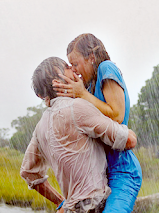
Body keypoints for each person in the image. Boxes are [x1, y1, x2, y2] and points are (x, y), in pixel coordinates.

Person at [20, 57, 138, 213]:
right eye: (68, 67)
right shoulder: (78, 108)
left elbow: (29, 173)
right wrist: (128, 131)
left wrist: (61, 202)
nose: (74, 70)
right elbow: (129, 141)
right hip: (95, 205)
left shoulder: (41, 125)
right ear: (58, 79)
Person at [52, 33, 142, 213]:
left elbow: (116, 115)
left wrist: (82, 95)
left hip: (121, 171)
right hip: (97, 175)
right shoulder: (87, 85)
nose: (75, 70)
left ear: (91, 57)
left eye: (76, 64)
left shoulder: (105, 68)